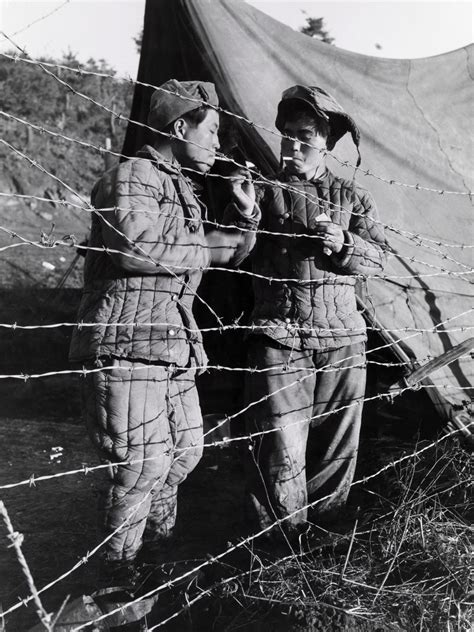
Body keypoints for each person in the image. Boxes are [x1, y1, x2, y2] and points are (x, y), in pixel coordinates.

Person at [69, 79, 255, 586]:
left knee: (185, 454)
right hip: (128, 346)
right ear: (180, 127)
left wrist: (245, 214)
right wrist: (208, 246)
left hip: (170, 347)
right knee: (141, 468)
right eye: (211, 130)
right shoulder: (134, 177)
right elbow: (135, 249)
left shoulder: (182, 190)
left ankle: (155, 554)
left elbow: (229, 252)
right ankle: (117, 577)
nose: (217, 142)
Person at [229, 85, 388, 539]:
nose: (293, 144)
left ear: (327, 142)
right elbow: (233, 258)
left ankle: (324, 544)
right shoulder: (258, 192)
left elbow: (378, 260)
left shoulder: (353, 199)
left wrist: (345, 245)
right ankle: (279, 552)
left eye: (305, 135)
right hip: (281, 341)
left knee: (336, 451)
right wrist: (245, 216)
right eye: (287, 134)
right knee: (280, 451)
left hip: (343, 342)